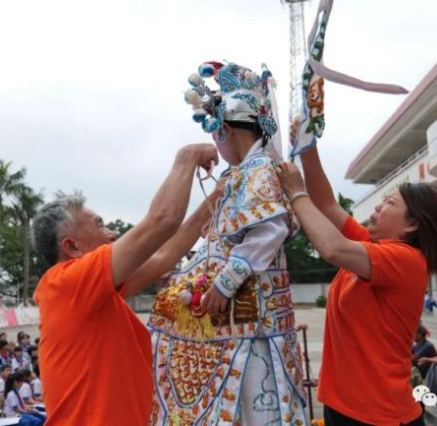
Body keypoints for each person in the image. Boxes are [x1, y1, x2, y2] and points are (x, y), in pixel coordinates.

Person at [144, 61, 306, 425]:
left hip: (251, 314)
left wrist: (226, 281)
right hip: (241, 314)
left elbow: (269, 230)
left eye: (216, 134)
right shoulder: (244, 172)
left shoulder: (259, 170)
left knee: (257, 401)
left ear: (226, 129)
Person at [276, 140, 437, 424]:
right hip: (345, 405)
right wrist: (307, 143)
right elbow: (327, 204)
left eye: (389, 202)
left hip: (378, 414)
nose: (378, 206)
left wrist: (296, 192)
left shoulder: (406, 259)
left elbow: (332, 248)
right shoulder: (371, 245)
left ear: (411, 224)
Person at [32, 143, 219, 426]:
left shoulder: (91, 292)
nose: (112, 233)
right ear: (72, 247)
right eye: (99, 225)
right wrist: (187, 157)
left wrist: (214, 199)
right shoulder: (68, 282)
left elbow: (164, 256)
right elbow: (162, 222)